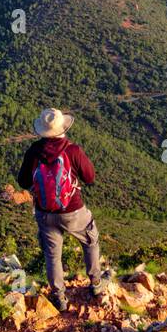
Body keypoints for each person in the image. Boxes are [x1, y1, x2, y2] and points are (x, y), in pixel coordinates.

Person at [17, 107, 106, 310]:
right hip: (72, 211)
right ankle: (96, 284)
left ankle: (60, 297)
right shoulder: (72, 150)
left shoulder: (34, 151)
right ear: (63, 127)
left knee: (52, 255)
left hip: (45, 213)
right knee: (90, 240)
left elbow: (22, 181)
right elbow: (90, 177)